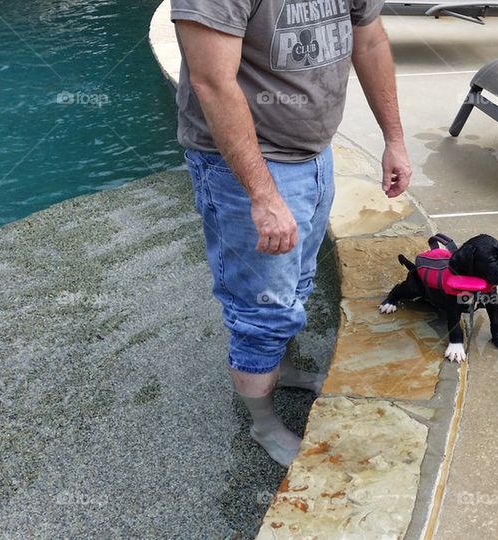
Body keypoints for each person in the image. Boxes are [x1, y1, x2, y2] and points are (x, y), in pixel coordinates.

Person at [171, 0, 411, 466]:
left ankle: (274, 370)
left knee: (298, 283)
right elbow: (213, 82)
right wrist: (262, 196)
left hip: (313, 155)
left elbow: (371, 37)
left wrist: (394, 139)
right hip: (246, 166)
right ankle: (263, 425)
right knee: (262, 311)